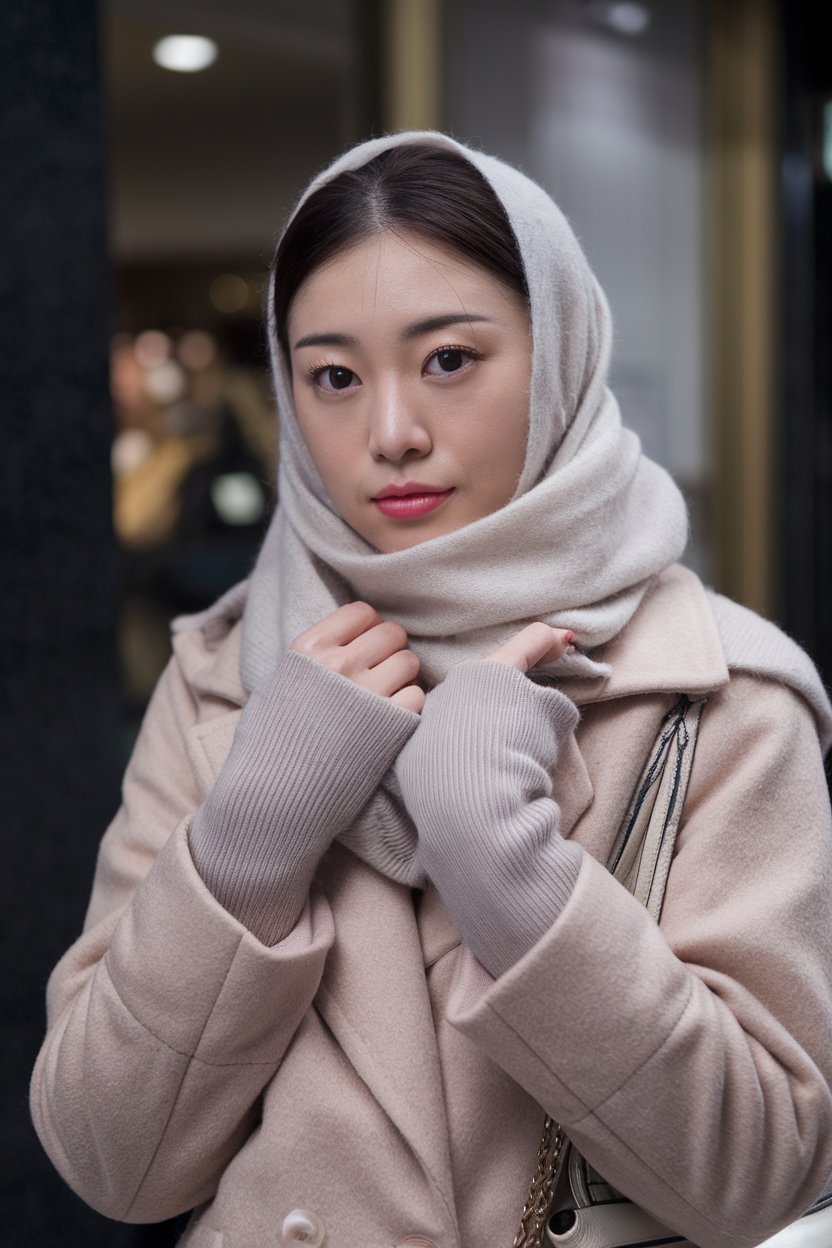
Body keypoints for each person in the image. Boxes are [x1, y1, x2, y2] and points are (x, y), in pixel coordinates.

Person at [31, 132, 832, 1248]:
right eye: (334, 377)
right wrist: (248, 845)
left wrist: (506, 861)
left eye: (449, 359)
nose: (391, 433)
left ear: (555, 352)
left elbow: (755, 1178)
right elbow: (109, 1163)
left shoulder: (717, 693)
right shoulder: (223, 677)